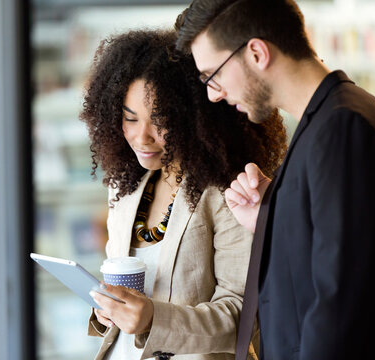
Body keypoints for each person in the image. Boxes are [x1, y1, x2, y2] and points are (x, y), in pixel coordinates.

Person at [174, 1, 375, 359]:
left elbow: (340, 297)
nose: (214, 93)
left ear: (256, 53)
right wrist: (272, 217)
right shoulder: (327, 122)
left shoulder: (343, 126)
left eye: (214, 75)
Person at [80, 29, 286, 360]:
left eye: (159, 121)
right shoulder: (125, 186)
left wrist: (152, 319)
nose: (141, 137)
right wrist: (107, 311)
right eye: (129, 118)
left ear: (194, 118)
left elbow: (240, 317)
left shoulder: (228, 192)